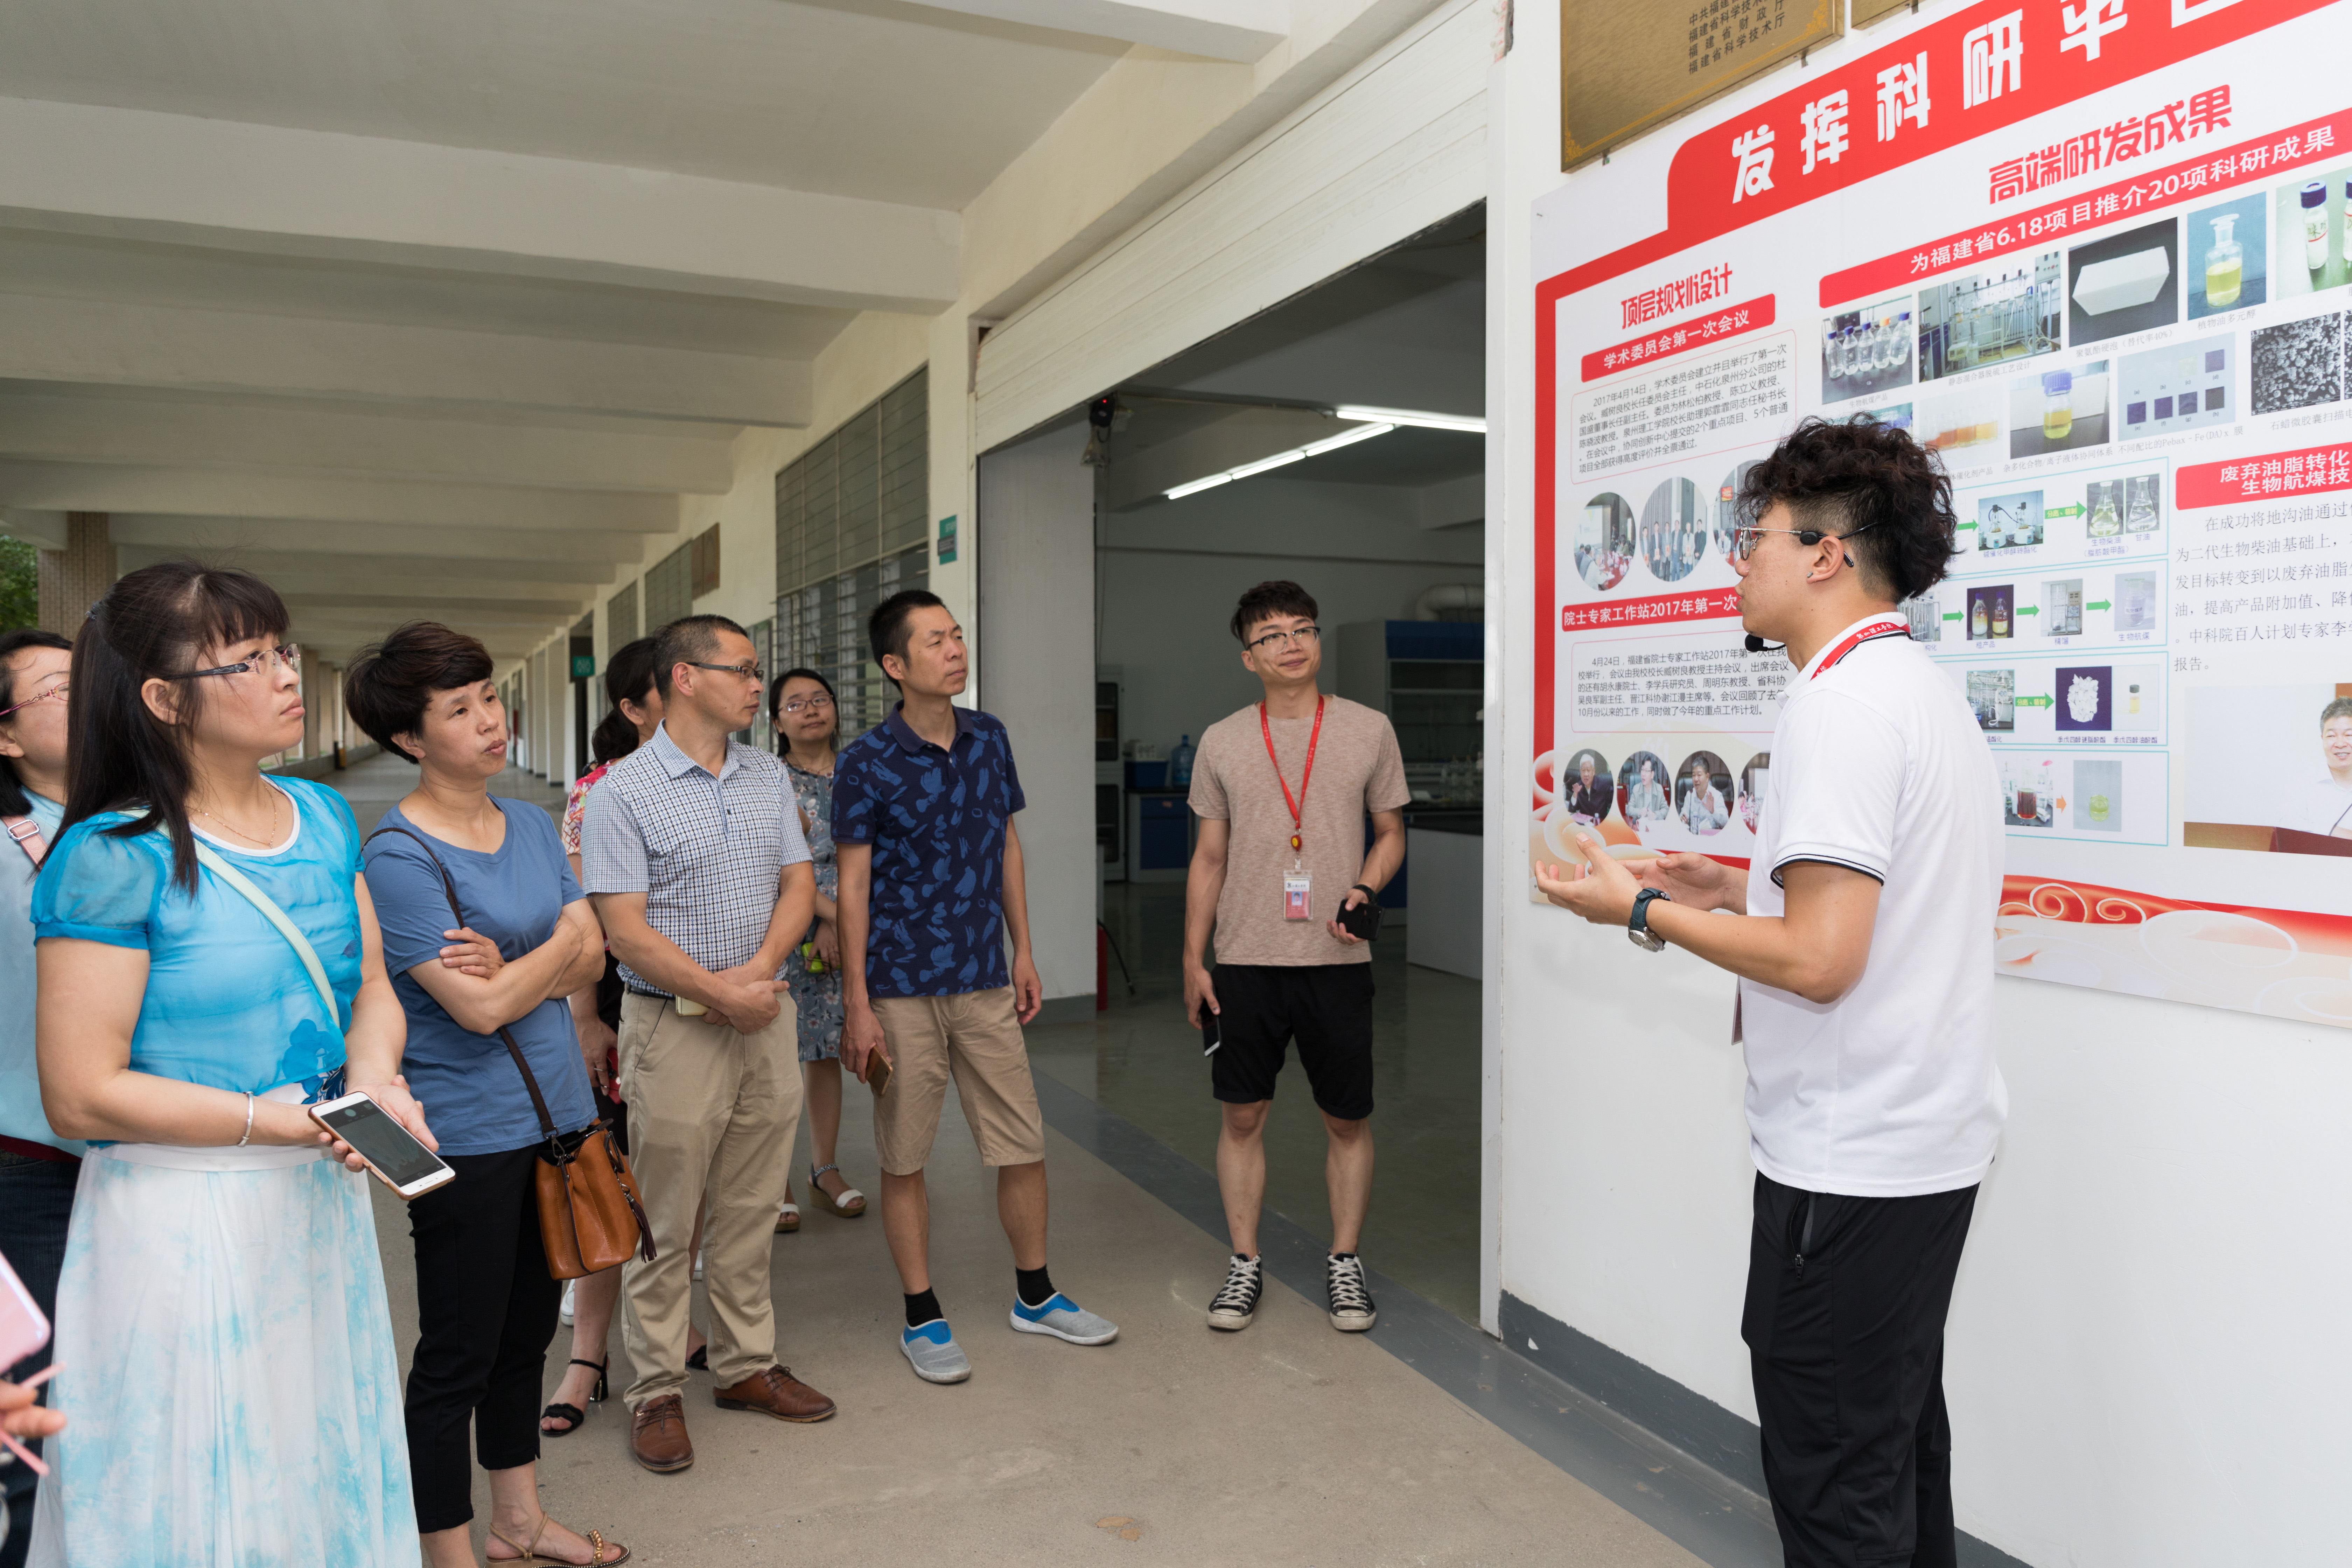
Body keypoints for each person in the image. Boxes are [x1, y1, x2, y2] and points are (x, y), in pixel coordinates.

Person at [1536, 415, 2005, 1568]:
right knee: (1895, 1459)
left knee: (1839, 1491)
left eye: (1757, 538)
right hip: (1921, 1147)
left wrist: (1640, 911)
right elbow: (1855, 918)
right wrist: (1727, 887)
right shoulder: (1914, 689)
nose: (1738, 561)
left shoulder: (1840, 707)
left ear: (1826, 555)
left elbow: (1822, 961)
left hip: (1848, 1167)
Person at [29, 561, 427, 1566]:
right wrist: (288, 1123)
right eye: (248, 660)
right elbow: (80, 1095)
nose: (287, 674)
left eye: (282, 649)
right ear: (165, 701)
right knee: (202, 1482)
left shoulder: (323, 816)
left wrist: (374, 1081)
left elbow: (371, 988)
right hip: (182, 1215)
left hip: (316, 1200)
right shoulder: (112, 854)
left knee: (316, 1462)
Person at [345, 623, 625, 1568]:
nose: (490, 721)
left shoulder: (534, 825)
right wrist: (551, 954)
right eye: (459, 709)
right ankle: (447, 1548)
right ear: (409, 738)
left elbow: (595, 953)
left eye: (490, 698)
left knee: (525, 1336)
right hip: (464, 1134)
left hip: (557, 1117)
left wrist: (518, 964)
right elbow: (479, 1009)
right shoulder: (399, 857)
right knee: (457, 1353)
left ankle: (519, 1520)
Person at [834, 590, 1117, 1385]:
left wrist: (1025, 950)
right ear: (895, 665)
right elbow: (851, 887)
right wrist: (857, 1003)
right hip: (899, 987)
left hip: (984, 977)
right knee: (905, 1156)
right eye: (936, 641)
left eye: (957, 635)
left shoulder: (989, 737)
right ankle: (922, 1315)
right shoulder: (865, 761)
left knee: (1022, 1141)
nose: (955, 649)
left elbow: (1007, 846)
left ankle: (1037, 1295)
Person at [582, 615, 832, 1475]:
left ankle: (745, 1365)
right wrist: (721, 992)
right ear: (685, 678)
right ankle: (655, 1390)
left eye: (759, 672)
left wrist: (756, 978)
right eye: (743, 670)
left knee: (753, 1204)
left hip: (766, 1014)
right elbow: (624, 931)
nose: (759, 686)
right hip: (675, 1025)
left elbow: (798, 882)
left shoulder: (766, 774)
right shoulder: (622, 791)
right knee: (667, 1219)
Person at [1181, 580, 1407, 1335]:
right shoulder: (1222, 741)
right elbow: (1209, 858)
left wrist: (1365, 887)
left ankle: (1345, 1259)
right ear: (1249, 658)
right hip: (1246, 960)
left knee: (1346, 1117)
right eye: (1272, 635)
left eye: (1303, 628)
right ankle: (1245, 1260)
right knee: (1243, 1114)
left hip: (1338, 961)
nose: (1291, 644)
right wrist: (1193, 959)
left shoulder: (1369, 729)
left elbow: (1391, 833)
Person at [544, 637, 662, 1437]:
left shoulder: (731, 781)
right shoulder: (600, 791)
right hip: (621, 1000)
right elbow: (582, 917)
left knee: (682, 1178)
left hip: (709, 1001)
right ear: (634, 707)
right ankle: (588, 1355)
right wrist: (586, 1015)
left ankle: (672, 1332)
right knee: (610, 1171)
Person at [0, 630, 74, 1568]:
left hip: (145, 1156)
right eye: (61, 687)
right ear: (8, 737)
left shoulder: (147, 824)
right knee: (35, 1422)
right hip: (33, 1169)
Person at [772, 669, 865, 1224]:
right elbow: (773, 866)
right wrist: (827, 916)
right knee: (780, 1055)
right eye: (795, 704)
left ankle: (823, 1170)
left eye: (820, 699)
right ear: (776, 722)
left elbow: (877, 856)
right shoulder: (769, 781)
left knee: (826, 1051)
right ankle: (774, 1179)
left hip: (848, 929)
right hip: (784, 929)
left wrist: (838, 924)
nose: (811, 710)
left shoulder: (863, 771)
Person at [2296, 695, 2352, 838]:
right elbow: (2286, 825)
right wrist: (2335, 832)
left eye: (2349, 735)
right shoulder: (2302, 782)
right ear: (2322, 739)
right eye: (2331, 736)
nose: (2340, 744)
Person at [1678, 756, 1728, 834]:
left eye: (1699, 775)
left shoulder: (1716, 796)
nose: (1696, 779)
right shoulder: (1690, 795)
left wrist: (1713, 811)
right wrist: (1683, 819)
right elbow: (1683, 815)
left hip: (1711, 839)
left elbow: (1726, 822)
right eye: (1693, 775)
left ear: (1707, 777)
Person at [1563, 751, 1613, 824]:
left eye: (1588, 770)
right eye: (1583, 770)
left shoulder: (1604, 785)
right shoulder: (1579, 786)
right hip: (1584, 826)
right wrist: (1575, 795)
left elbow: (1615, 804)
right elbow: (1572, 810)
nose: (1586, 774)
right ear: (1580, 772)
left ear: (1593, 771)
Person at [1622, 756, 1669, 829]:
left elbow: (1666, 810)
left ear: (1652, 775)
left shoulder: (1659, 789)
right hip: (1641, 828)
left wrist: (1655, 815)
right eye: (1642, 770)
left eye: (1647, 771)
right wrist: (1639, 812)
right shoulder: (1636, 789)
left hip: (1655, 828)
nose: (1643, 774)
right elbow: (1629, 809)